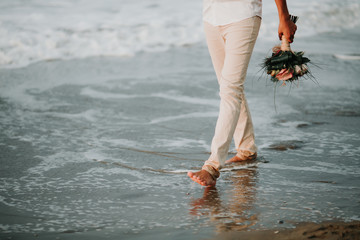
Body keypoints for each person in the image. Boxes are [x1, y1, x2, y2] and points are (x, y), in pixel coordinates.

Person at [188, 0, 297, 186]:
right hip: (211, 16)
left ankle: (212, 167)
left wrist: (284, 17)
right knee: (229, 86)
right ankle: (246, 149)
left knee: (230, 89)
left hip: (243, 16)